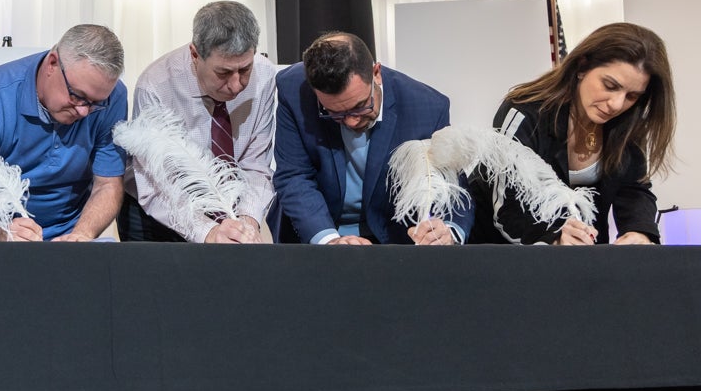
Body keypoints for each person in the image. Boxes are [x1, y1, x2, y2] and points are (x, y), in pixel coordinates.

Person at [470, 22, 675, 245]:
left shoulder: (628, 122)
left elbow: (634, 189)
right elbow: (506, 206)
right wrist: (553, 237)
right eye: (610, 85)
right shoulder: (523, 112)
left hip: (582, 252)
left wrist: (639, 232)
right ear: (582, 67)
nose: (616, 104)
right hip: (500, 252)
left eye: (632, 96)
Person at [270, 31, 473, 245]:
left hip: (391, 238)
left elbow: (451, 186)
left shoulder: (427, 108)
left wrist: (448, 231)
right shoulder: (293, 89)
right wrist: (329, 241)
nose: (351, 122)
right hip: (315, 232)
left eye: (360, 107)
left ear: (376, 73)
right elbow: (294, 175)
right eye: (334, 113)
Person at [0, 24, 127, 241]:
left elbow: (108, 184)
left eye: (96, 103)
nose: (84, 111)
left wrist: (82, 234)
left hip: (71, 233)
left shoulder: (113, 97)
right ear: (52, 63)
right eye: (77, 96)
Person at [119, 1, 275, 243]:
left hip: (230, 204)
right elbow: (157, 184)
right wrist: (208, 232)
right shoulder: (156, 85)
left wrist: (246, 222)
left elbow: (256, 163)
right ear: (195, 54)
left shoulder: (264, 75)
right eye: (223, 73)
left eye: (245, 70)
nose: (236, 85)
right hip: (159, 214)